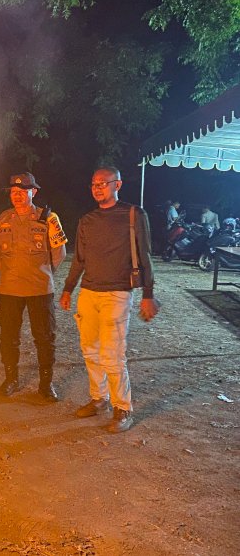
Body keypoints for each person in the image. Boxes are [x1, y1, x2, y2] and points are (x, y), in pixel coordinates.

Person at [59, 166, 160, 433]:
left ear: (118, 184)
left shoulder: (132, 214)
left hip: (117, 293)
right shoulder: (87, 220)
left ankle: (122, 408)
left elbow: (145, 254)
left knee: (112, 355)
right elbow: (79, 259)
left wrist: (148, 295)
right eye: (94, 183)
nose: (98, 187)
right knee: (90, 350)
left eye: (104, 183)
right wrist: (69, 289)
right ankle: (99, 398)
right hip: (89, 292)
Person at [0, 172, 67, 401]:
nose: (18, 196)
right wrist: (12, 272)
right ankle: (10, 379)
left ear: (33, 192)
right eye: (14, 192)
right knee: (8, 336)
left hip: (40, 289)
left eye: (23, 192)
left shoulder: (49, 219)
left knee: (44, 337)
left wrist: (42, 273)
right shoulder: (1, 220)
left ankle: (45, 384)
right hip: (9, 289)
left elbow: (59, 253)